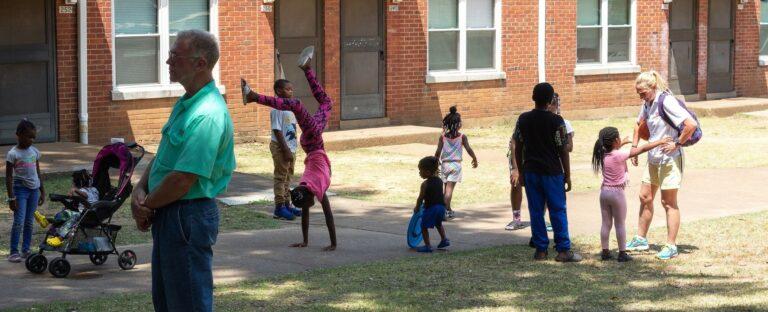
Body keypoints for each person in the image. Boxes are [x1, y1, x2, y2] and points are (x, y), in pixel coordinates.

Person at [130, 29, 236, 312]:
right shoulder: (187, 103)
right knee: (167, 302)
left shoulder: (208, 113)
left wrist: (146, 205)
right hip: (169, 213)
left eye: (176, 56)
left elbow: (182, 179)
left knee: (187, 304)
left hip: (186, 216)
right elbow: (165, 155)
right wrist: (139, 189)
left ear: (200, 63)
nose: (168, 61)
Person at [241, 46, 337, 251]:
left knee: (312, 104)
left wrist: (306, 240)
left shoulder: (305, 186)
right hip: (313, 141)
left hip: (312, 142)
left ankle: (255, 96)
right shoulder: (318, 190)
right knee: (312, 104)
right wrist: (332, 243)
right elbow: (328, 216)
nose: (308, 208)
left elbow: (310, 211)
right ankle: (303, 70)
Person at [627, 70, 698, 260]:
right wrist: (635, 147)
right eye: (638, 93)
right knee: (645, 196)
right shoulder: (647, 103)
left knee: (668, 202)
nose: (640, 96)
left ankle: (671, 245)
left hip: (670, 159)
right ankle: (641, 239)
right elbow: (638, 124)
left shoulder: (666, 101)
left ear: (653, 87)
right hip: (653, 157)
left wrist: (677, 143)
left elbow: (690, 125)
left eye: (643, 93)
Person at [513, 82, 581, 262]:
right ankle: (563, 250)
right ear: (551, 99)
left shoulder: (523, 119)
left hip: (531, 171)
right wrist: (568, 174)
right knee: (557, 210)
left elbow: (518, 146)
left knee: (536, 211)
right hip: (552, 172)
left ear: (533, 98)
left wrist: (519, 170)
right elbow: (563, 149)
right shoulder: (556, 121)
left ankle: (541, 250)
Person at [592, 127, 671, 262]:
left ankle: (605, 252)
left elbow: (613, 148)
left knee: (606, 223)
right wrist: (659, 142)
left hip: (604, 192)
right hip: (617, 193)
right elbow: (642, 149)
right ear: (616, 140)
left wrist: (622, 143)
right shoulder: (619, 155)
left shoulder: (602, 154)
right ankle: (622, 253)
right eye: (619, 139)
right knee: (620, 224)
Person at [5, 119, 45, 263]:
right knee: (19, 221)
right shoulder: (13, 154)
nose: (31, 140)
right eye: (29, 136)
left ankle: (26, 249)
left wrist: (42, 190)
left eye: (33, 137)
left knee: (29, 221)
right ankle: (13, 251)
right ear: (18, 135)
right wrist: (11, 198)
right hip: (20, 190)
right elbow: (9, 177)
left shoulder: (34, 152)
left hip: (34, 190)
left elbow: (38, 172)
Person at [434, 106, 478, 220]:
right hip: (455, 165)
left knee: (446, 189)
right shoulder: (462, 137)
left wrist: (435, 163)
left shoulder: (442, 137)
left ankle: (448, 209)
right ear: (458, 124)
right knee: (449, 191)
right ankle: (442, 212)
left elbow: (438, 151)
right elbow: (468, 149)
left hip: (444, 165)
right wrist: (474, 158)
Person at [268, 80, 300, 220]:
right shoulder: (276, 108)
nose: (291, 91)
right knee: (281, 177)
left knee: (288, 177)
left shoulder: (290, 107)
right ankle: (279, 207)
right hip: (281, 147)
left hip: (291, 147)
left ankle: (287, 204)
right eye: (288, 89)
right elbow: (277, 130)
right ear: (279, 91)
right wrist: (285, 149)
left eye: (292, 89)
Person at [45, 169, 100, 248]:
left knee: (72, 216)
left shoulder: (84, 190)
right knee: (66, 212)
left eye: (73, 182)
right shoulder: (95, 189)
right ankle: (47, 221)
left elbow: (85, 196)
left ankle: (60, 237)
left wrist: (75, 190)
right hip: (86, 214)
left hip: (86, 216)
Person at [413, 156, 450, 253]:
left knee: (423, 226)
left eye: (421, 171)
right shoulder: (439, 181)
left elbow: (420, 198)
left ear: (428, 172)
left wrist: (417, 207)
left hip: (431, 208)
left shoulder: (425, 184)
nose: (419, 173)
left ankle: (428, 246)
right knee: (438, 224)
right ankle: (444, 239)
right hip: (441, 207)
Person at [505, 136, 526, 230]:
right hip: (519, 155)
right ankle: (516, 219)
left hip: (537, 155)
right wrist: (515, 167)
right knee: (516, 184)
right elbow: (513, 142)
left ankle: (540, 218)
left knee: (541, 186)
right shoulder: (522, 122)